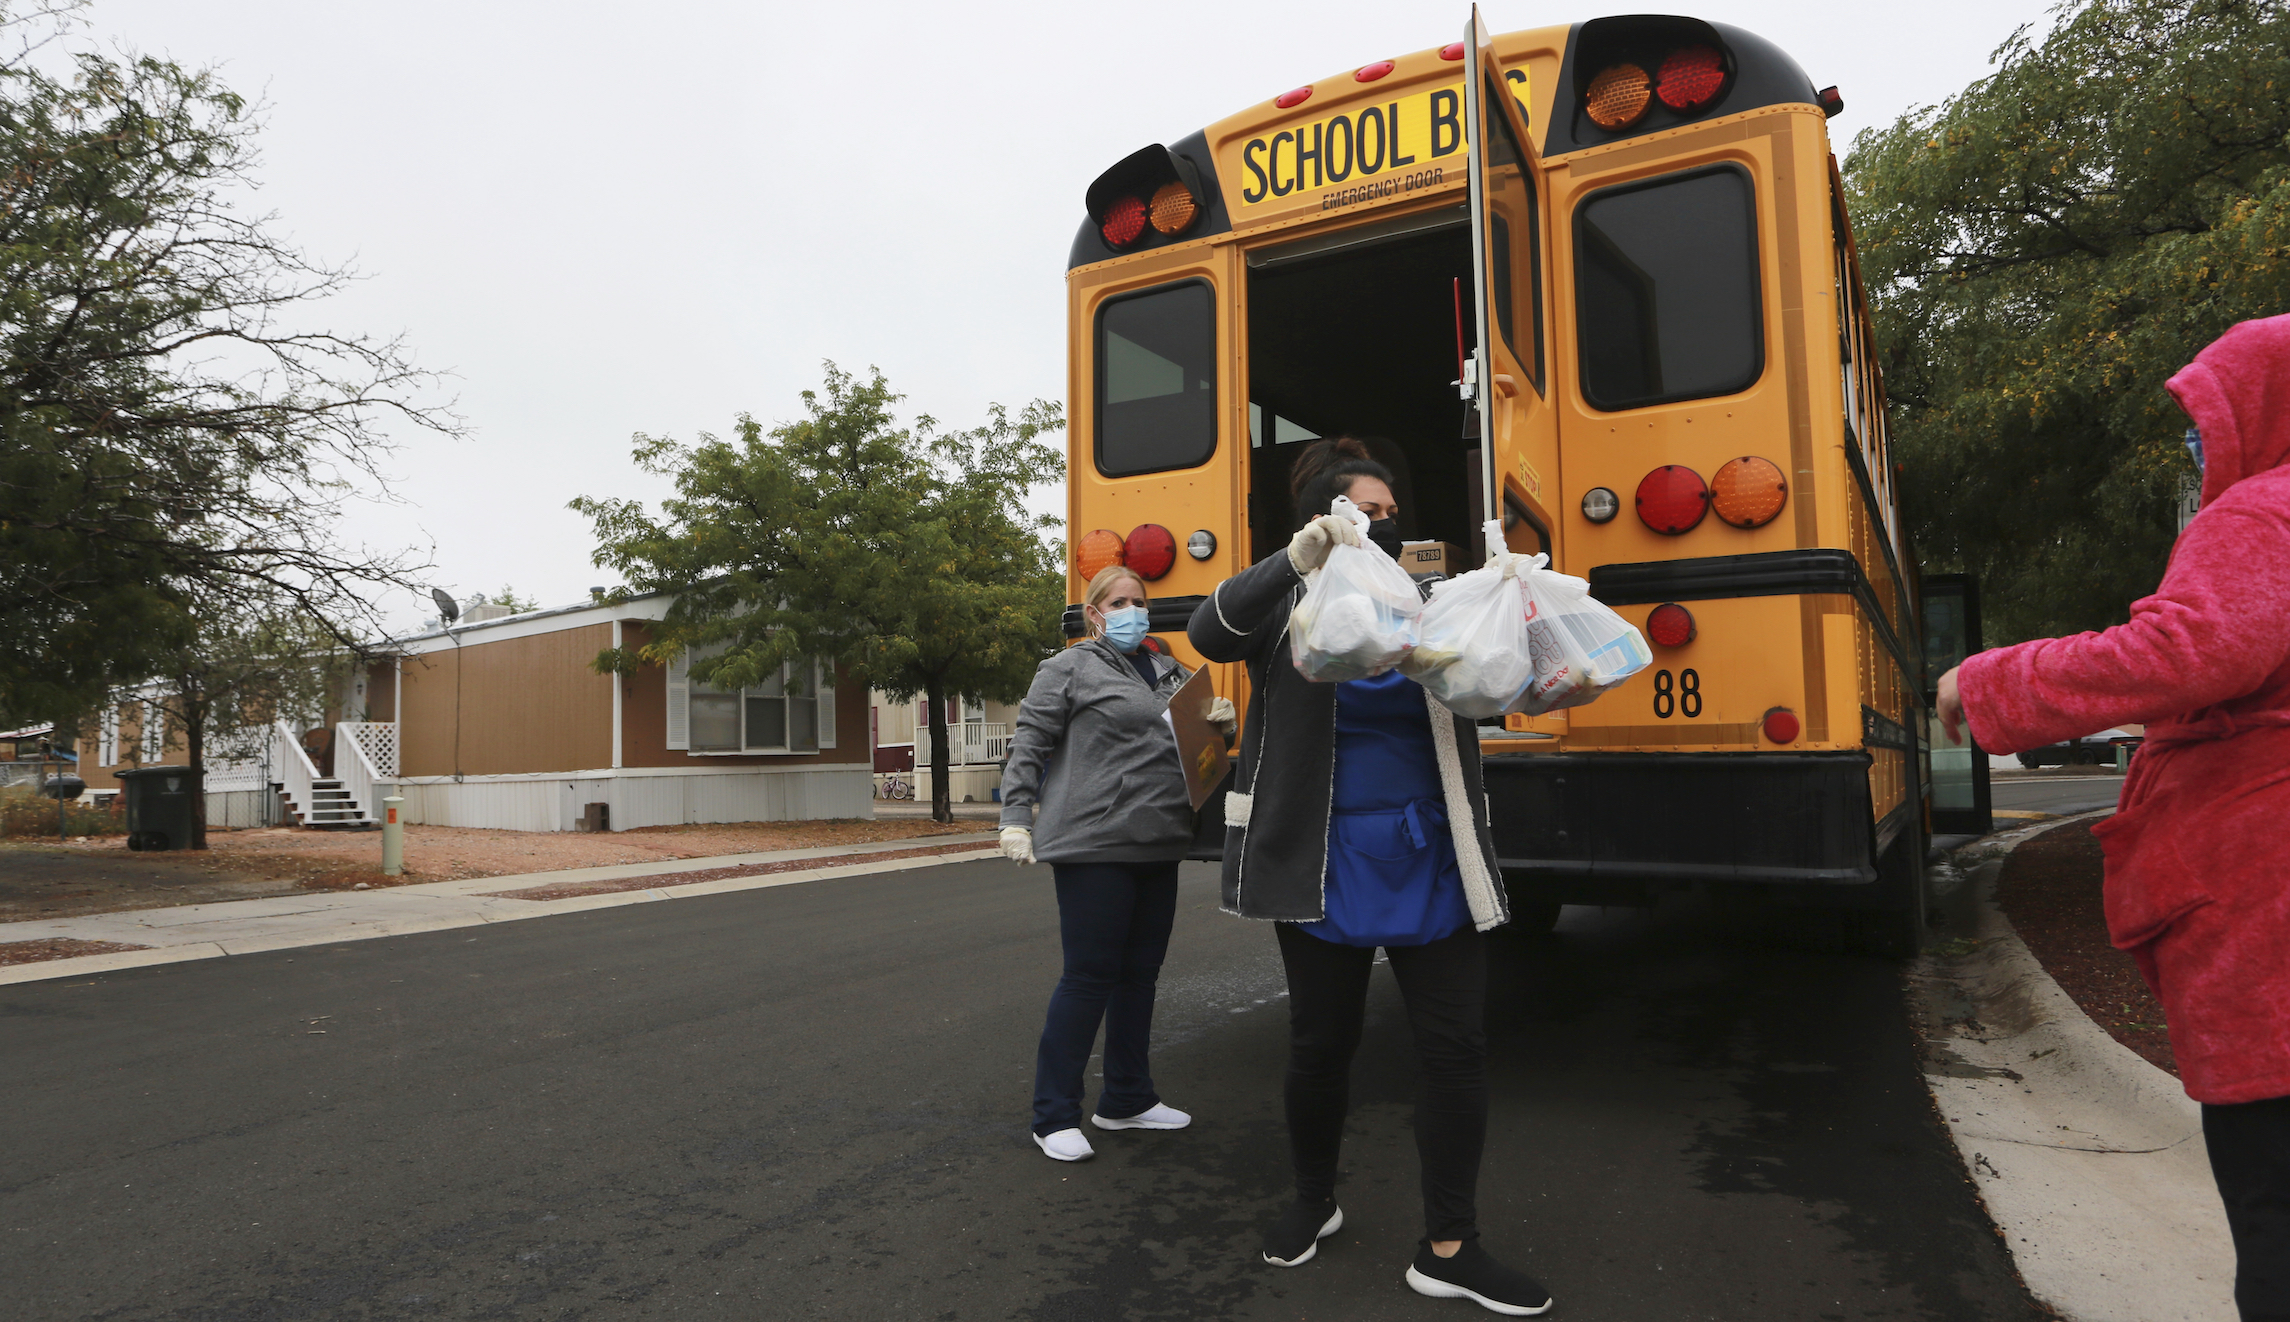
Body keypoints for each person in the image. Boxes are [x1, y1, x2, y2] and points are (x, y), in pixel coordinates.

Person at [1936, 314, 2290, 1322]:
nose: (2195, 444)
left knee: (2273, 1211)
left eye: (2207, 419)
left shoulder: (2262, 514)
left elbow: (2183, 652)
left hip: (2268, 936)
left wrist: (1990, 677)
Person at [1188, 436, 1552, 1316]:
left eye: (1391, 514)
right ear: (1323, 518)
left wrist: (1517, 603)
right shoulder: (1288, 600)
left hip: (1432, 851)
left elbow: (1508, 683)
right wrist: (1292, 560)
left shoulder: (1429, 601)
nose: (1382, 527)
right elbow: (1208, 631)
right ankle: (1315, 1198)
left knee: (1455, 1048)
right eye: (1363, 512)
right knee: (1320, 1046)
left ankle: (1451, 1245)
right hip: (1320, 859)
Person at [999, 563, 1235, 1163]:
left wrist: (1219, 728)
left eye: (1140, 600)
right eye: (1119, 600)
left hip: (1158, 838)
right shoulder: (1068, 668)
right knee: (1089, 975)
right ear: (1094, 612)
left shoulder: (1170, 672)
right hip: (1094, 840)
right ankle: (1053, 1114)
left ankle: (1127, 1098)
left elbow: (1196, 744)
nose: (1133, 610)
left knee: (1139, 976)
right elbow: (1031, 739)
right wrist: (1014, 815)